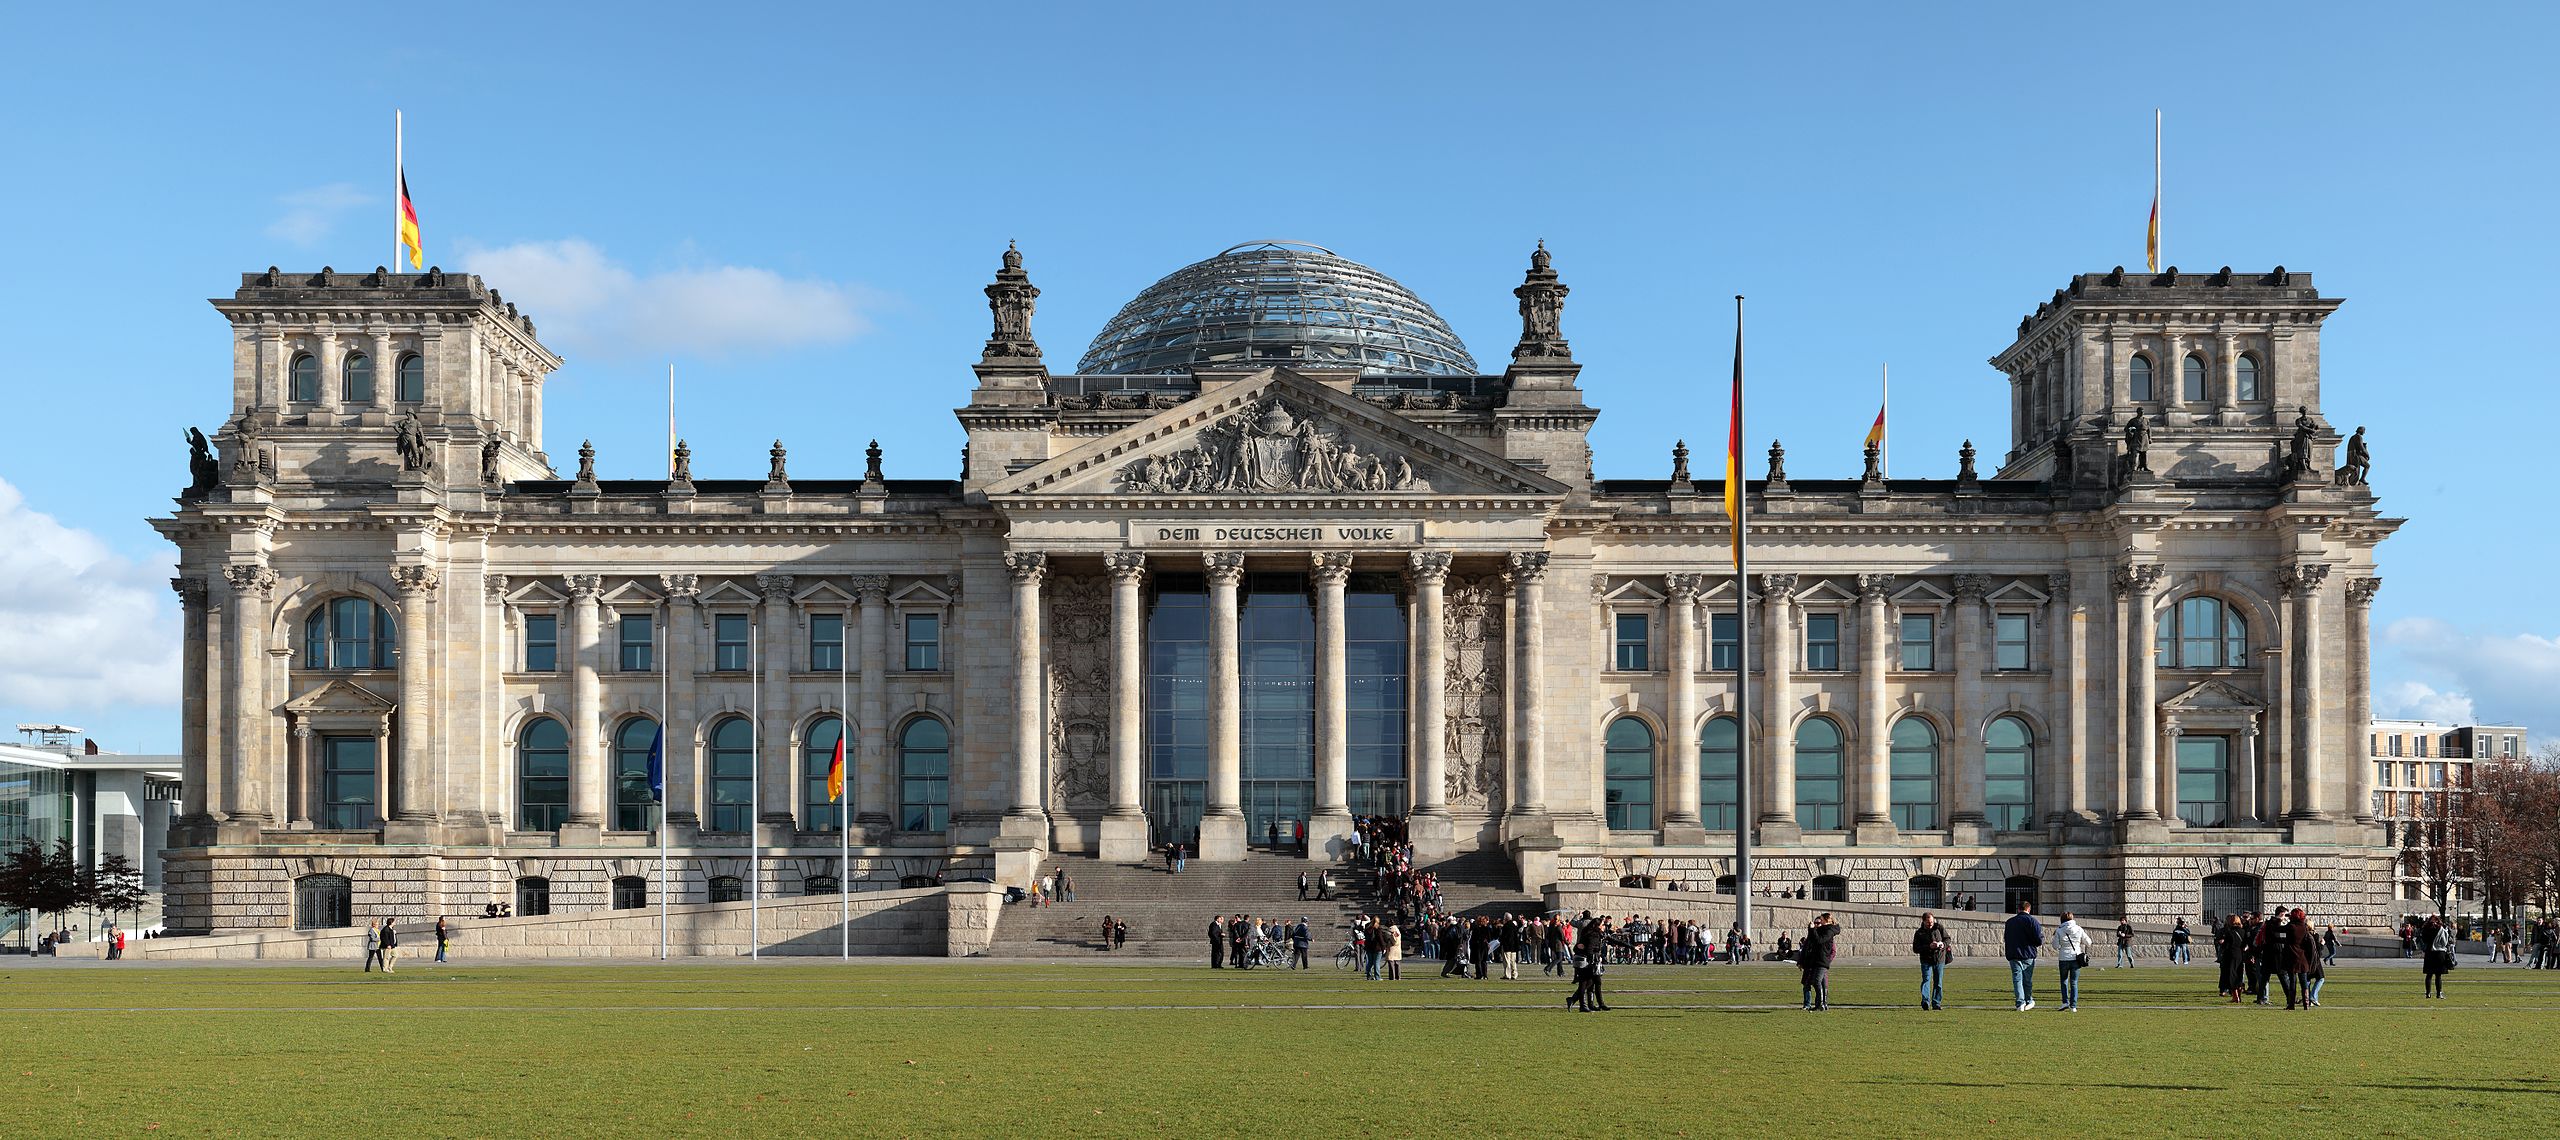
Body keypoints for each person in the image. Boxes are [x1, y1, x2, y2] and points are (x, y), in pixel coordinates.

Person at [2004, 899, 2044, 1011]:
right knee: (2027, 980)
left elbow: (2006, 938)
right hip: (2028, 953)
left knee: (2017, 979)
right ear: (2029, 909)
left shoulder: (2010, 922)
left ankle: (2020, 1003)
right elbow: (2038, 940)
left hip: (2014, 953)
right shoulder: (2033, 921)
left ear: (2018, 909)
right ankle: (2028, 1000)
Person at [1911, 912, 1953, 1011]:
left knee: (1938, 982)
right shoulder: (1919, 933)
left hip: (1939, 959)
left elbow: (1947, 939)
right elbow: (1916, 948)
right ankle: (1925, 1002)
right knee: (1926, 980)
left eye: (1932, 922)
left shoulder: (1939, 928)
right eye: (1928, 922)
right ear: (1923, 921)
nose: (1930, 924)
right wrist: (1929, 946)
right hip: (1926, 959)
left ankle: (1936, 1003)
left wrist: (1942, 944)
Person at [1799, 913, 1839, 1011]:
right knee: (1810, 983)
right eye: (1817, 922)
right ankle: (1818, 1005)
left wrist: (1812, 930)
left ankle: (1821, 1004)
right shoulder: (1821, 931)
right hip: (1813, 961)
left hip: (1822, 961)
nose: (1818, 923)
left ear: (1826, 920)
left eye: (1820, 920)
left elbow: (1820, 941)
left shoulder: (1828, 931)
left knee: (1818, 982)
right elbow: (1807, 946)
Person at [2053, 911, 2091, 1012]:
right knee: (2074, 982)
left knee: (2064, 981)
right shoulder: (2079, 928)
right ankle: (2073, 1006)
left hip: (2063, 958)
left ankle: (2065, 1002)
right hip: (2076, 958)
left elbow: (2055, 946)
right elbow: (2089, 942)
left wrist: (2062, 946)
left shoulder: (2059, 930)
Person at [2214, 914, 2248, 1001]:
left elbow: (2226, 945)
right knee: (2239, 974)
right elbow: (2245, 944)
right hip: (2239, 954)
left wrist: (2222, 944)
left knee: (2231, 975)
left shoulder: (2229, 932)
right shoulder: (2243, 931)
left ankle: (2235, 996)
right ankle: (2239, 995)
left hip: (2230, 954)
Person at [2421, 914, 2455, 998]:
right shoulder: (2441, 929)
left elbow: (2423, 940)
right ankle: (2439, 993)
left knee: (2429, 975)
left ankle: (2428, 993)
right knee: (2438, 975)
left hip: (2429, 953)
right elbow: (2445, 942)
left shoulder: (2425, 929)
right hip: (2440, 953)